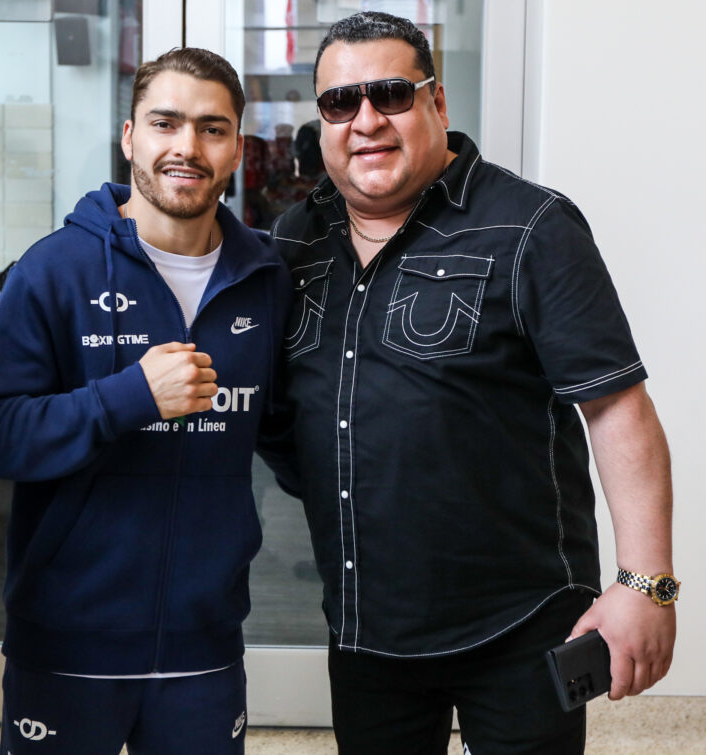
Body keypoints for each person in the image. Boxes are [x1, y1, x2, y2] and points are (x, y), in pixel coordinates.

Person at [268, 11, 677, 754]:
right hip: (367, 628)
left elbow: (617, 406)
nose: (365, 121)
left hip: (519, 623)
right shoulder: (296, 242)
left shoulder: (531, 227)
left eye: (390, 94)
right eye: (339, 103)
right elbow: (287, 413)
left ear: (438, 103)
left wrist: (646, 581)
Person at [0, 47, 290, 755]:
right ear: (130, 136)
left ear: (235, 149)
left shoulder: (266, 278)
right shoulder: (56, 269)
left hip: (205, 643)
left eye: (211, 128)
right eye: (165, 123)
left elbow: (290, 429)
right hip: (68, 641)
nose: (186, 147)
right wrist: (128, 396)